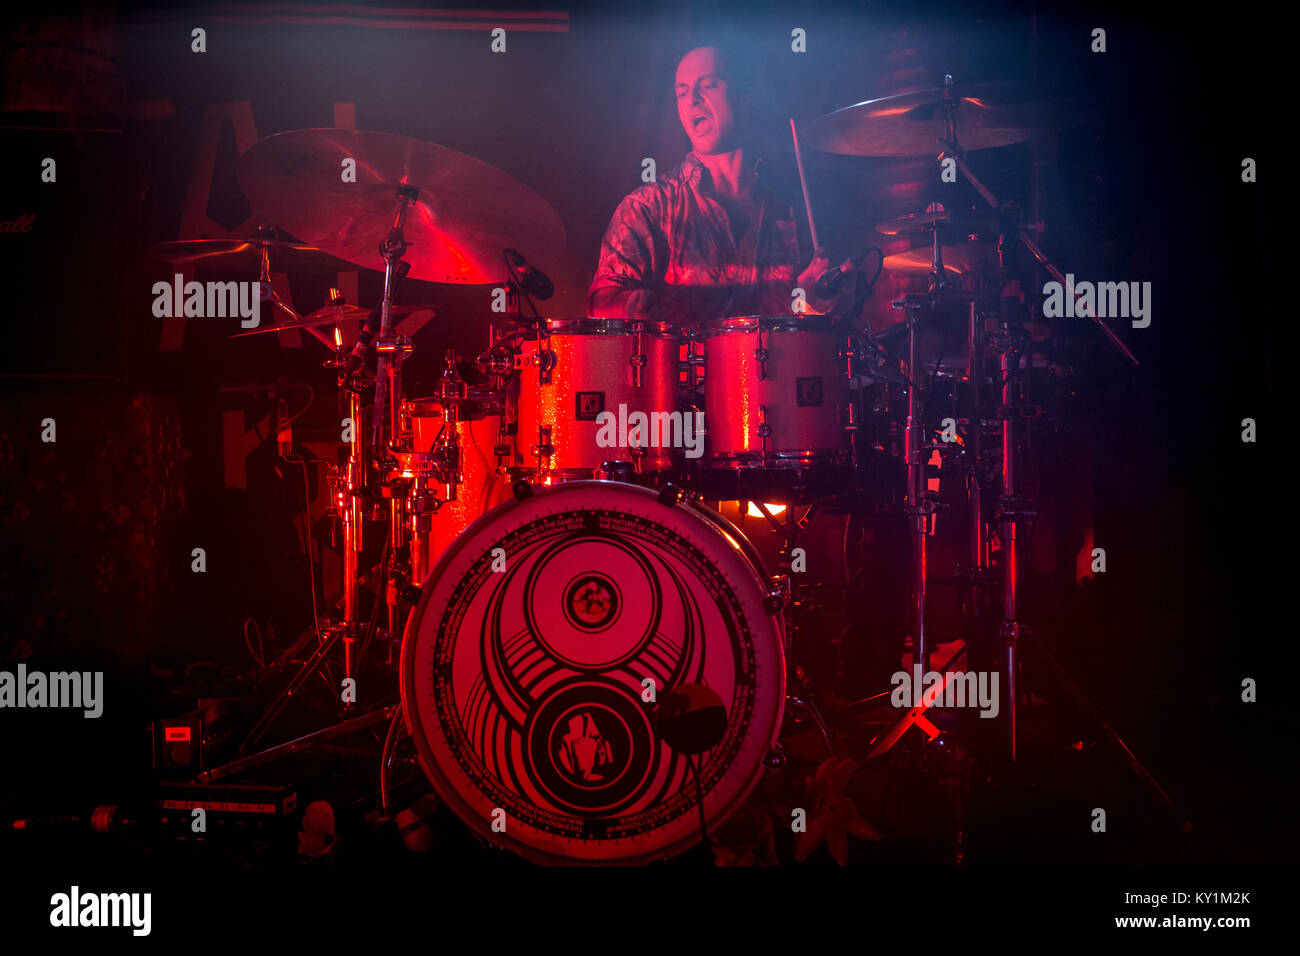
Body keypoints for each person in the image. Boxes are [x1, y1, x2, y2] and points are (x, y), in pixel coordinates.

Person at [588, 44, 831, 328]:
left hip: (775, 370)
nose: (692, 99)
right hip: (680, 372)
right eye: (682, 92)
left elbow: (794, 327)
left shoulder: (793, 203)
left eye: (708, 85)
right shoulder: (649, 207)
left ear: (747, 96)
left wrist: (811, 297)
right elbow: (599, 301)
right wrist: (627, 305)